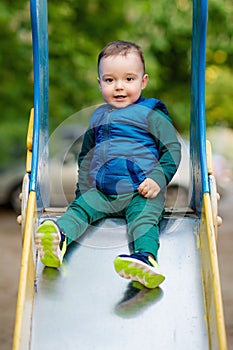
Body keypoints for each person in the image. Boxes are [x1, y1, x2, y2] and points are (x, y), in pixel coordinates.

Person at [35, 40, 181, 289]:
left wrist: (158, 178)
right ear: (100, 83)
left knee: (144, 220)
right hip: (103, 192)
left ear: (143, 81)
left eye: (129, 79)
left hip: (141, 191)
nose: (119, 87)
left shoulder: (152, 114)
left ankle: (146, 259)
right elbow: (86, 157)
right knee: (80, 210)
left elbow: (172, 150)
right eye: (110, 80)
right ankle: (58, 239)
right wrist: (83, 193)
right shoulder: (98, 116)